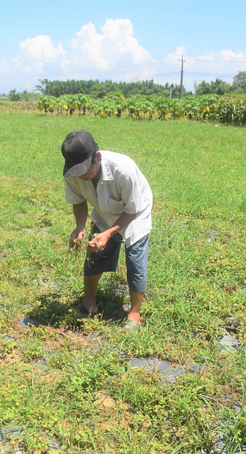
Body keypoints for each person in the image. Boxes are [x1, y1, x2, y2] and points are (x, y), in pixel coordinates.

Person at [61, 130, 153, 332]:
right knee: (94, 255)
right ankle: (89, 303)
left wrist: (109, 233)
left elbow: (132, 209)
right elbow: (78, 200)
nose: (81, 176)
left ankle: (135, 313)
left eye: (85, 169)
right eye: (76, 171)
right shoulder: (73, 173)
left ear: (98, 157)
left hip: (135, 211)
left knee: (135, 260)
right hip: (104, 210)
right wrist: (79, 226)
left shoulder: (123, 169)